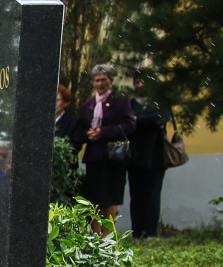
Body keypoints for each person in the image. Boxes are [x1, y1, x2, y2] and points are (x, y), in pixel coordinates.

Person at [78, 64, 137, 223]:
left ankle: (107, 232)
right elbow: (82, 128)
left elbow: (130, 124)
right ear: (93, 82)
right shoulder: (88, 105)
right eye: (97, 80)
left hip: (113, 156)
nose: (100, 83)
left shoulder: (120, 101)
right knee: (94, 196)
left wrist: (103, 132)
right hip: (94, 156)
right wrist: (88, 134)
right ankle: (96, 231)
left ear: (110, 80)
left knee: (111, 195)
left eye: (103, 80)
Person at [126, 77, 169, 239]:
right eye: (137, 82)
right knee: (136, 196)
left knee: (153, 195)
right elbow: (127, 122)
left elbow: (162, 117)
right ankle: (137, 232)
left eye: (143, 81)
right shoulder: (130, 104)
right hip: (135, 156)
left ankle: (150, 232)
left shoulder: (159, 103)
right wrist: (149, 122)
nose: (140, 85)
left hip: (155, 157)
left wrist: (138, 121)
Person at [54, 85, 87, 161]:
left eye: (57, 100)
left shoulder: (75, 121)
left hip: (63, 164)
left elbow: (75, 147)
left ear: (66, 103)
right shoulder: (41, 121)